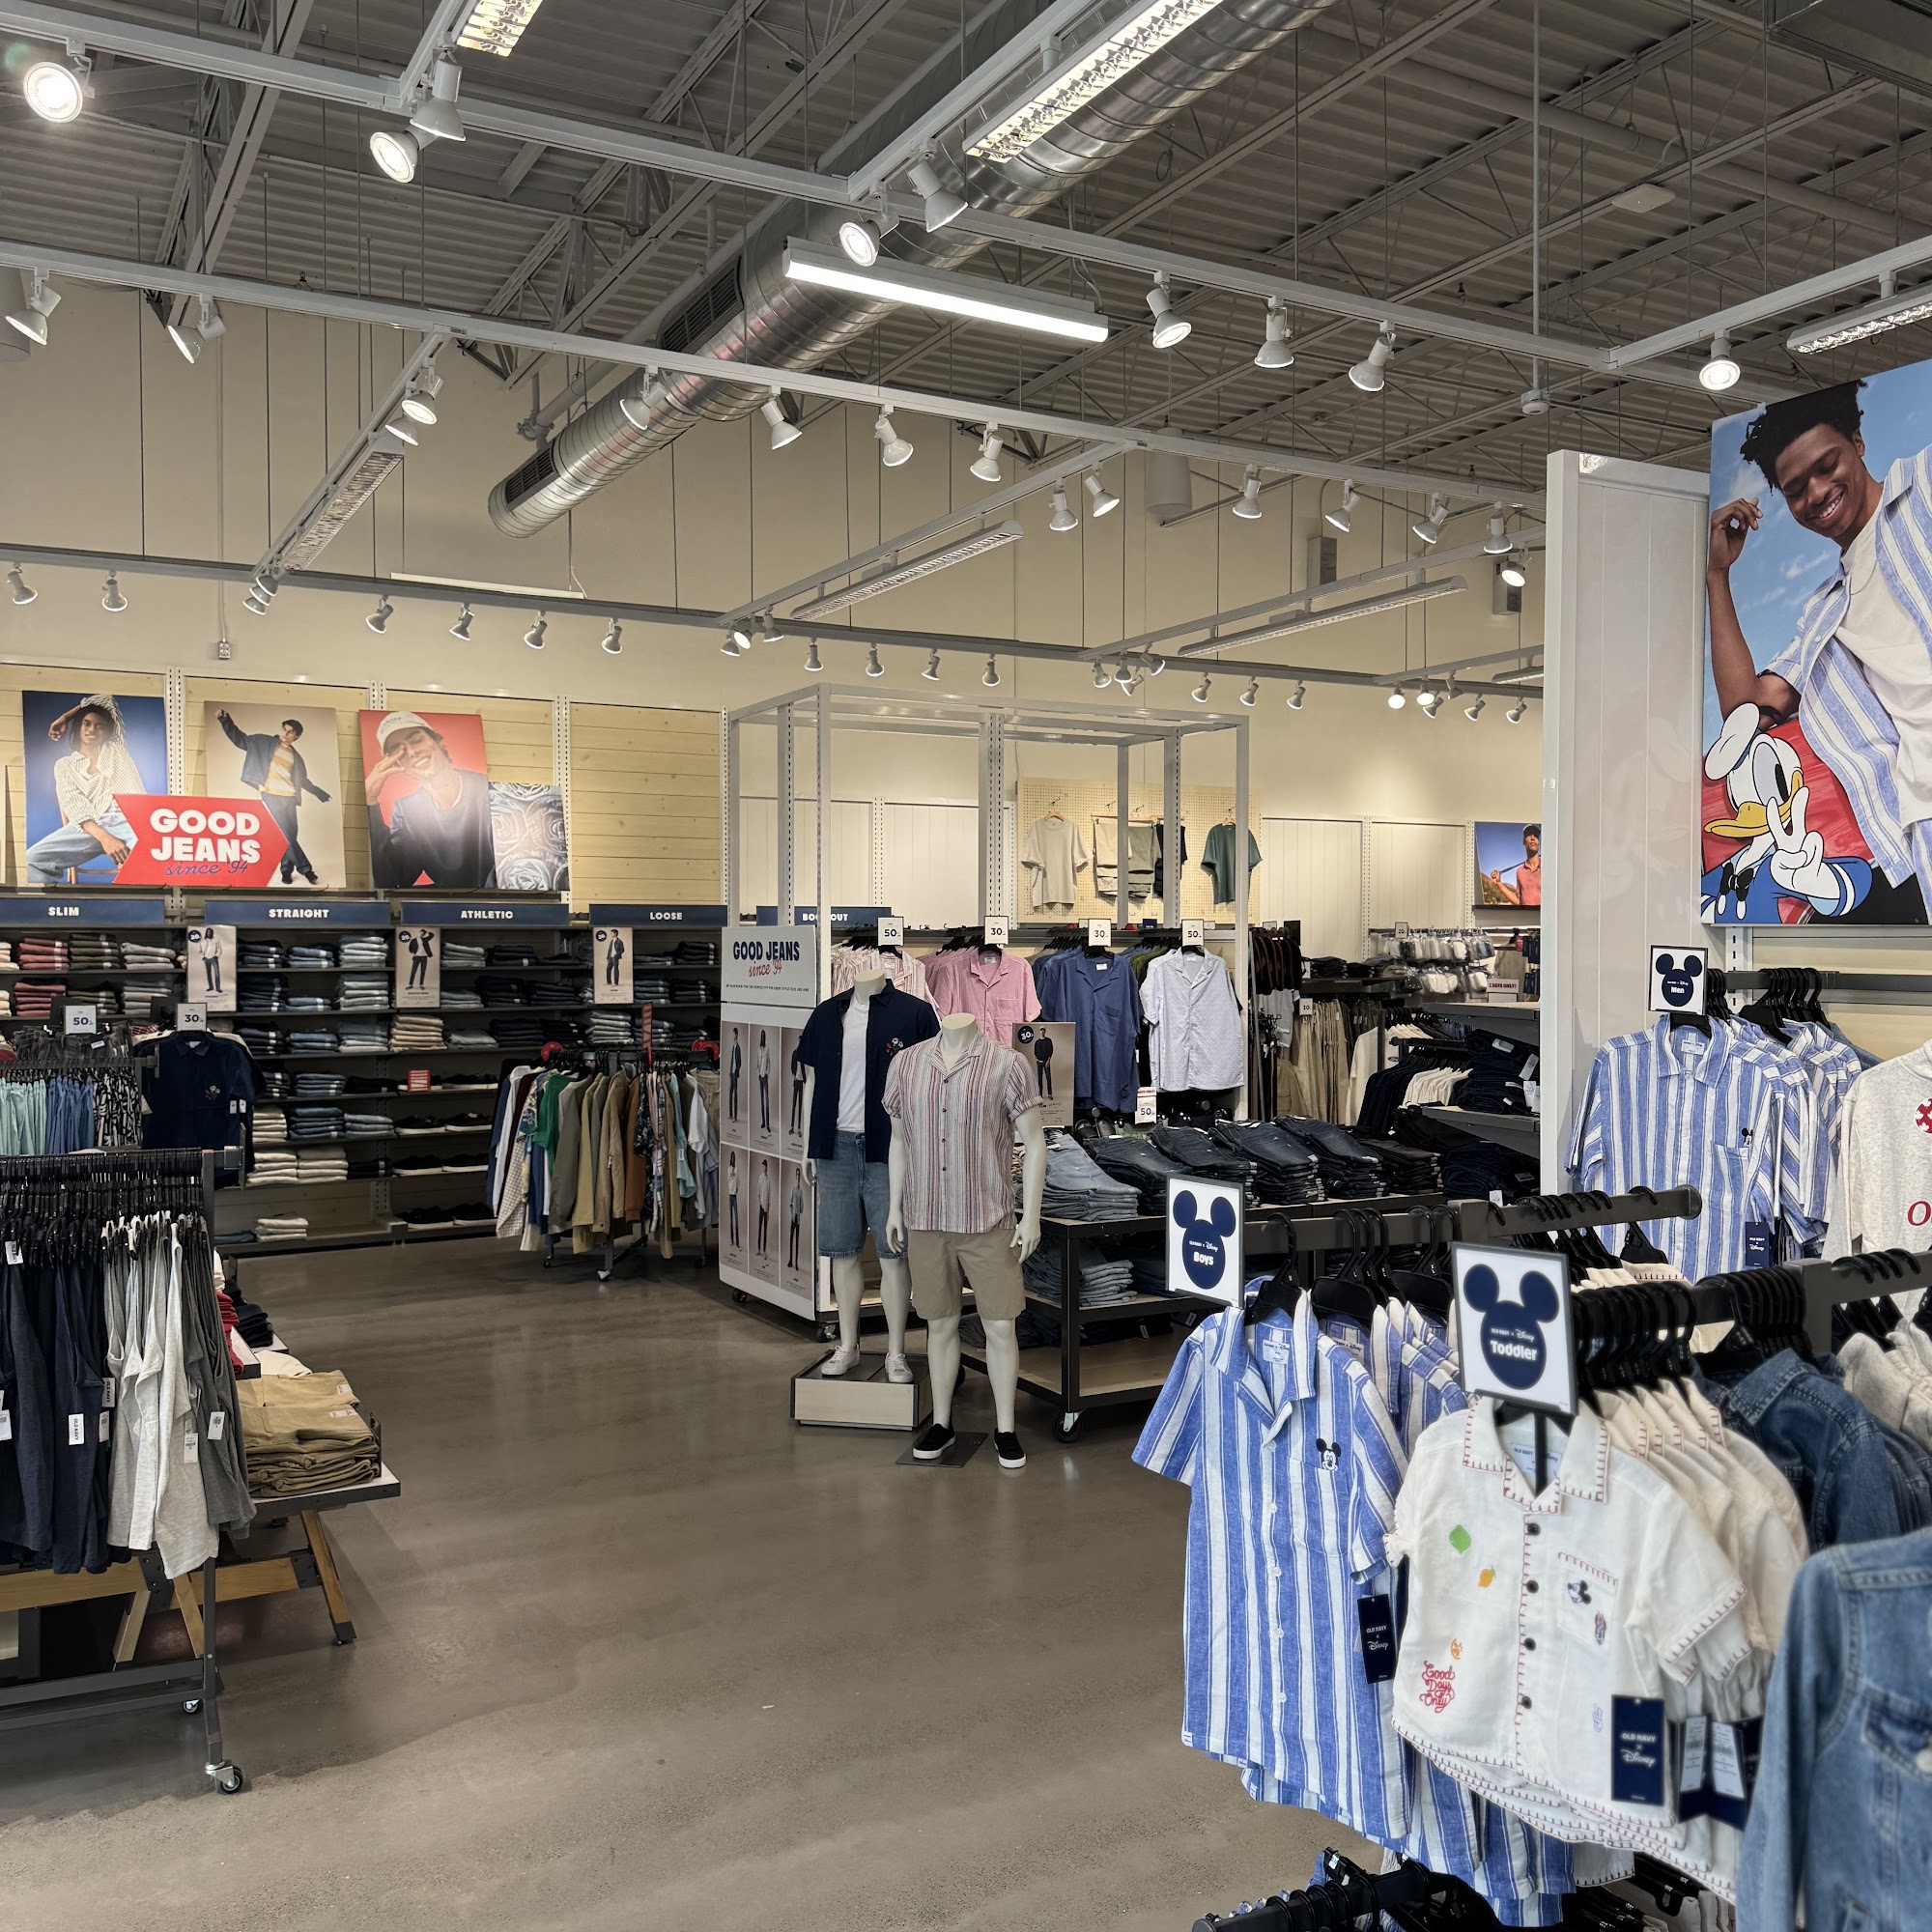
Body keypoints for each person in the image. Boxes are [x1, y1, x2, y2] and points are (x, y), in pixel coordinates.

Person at [1707, 378, 1932, 921]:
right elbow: (1745, 710)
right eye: (1795, 488)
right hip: (1921, 817)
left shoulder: (1924, 486)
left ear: (1857, 441)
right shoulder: (1823, 614)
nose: (1815, 493)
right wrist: (1717, 576)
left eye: (1827, 465)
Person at [365, 711, 496, 891]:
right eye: (399, 751)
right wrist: (370, 799)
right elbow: (392, 879)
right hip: (447, 904)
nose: (412, 752)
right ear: (397, 764)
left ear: (438, 742)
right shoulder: (407, 809)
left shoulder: (487, 791)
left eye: (416, 740)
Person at [26, 696, 147, 885]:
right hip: (91, 824)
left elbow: (105, 699)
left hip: (130, 820)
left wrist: (65, 717)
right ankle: (54, 903)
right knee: (31, 861)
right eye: (86, 723)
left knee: (157, 853)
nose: (92, 729)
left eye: (99, 726)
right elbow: (75, 805)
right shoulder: (65, 765)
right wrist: (105, 838)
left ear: (108, 731)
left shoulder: (116, 750)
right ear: (79, 727)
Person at [217, 709, 330, 886]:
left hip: (290, 798)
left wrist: (319, 793)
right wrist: (225, 720)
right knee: (285, 836)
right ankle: (307, 870)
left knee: (289, 836)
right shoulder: (262, 742)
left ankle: (286, 871)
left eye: (290, 732)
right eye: (284, 729)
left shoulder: (296, 757)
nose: (285, 733)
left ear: (296, 737)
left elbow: (303, 780)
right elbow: (240, 739)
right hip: (271, 795)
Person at [1485, 825, 1542, 907]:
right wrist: (1498, 883)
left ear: (1538, 842)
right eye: (1529, 834)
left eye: (1536, 835)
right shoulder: (1520, 871)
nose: (1533, 838)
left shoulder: (1548, 867)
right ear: (1524, 841)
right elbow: (1519, 901)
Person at [197, 926, 223, 996]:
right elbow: (199, 951)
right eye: (208, 932)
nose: (209, 933)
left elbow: (219, 949)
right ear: (206, 933)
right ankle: (211, 987)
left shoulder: (216, 940)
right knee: (208, 973)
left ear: (212, 933)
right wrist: (203, 957)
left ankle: (218, 988)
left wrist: (216, 956)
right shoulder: (202, 941)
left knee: (217, 973)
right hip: (206, 959)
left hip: (214, 958)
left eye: (210, 932)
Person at [756, 1029, 771, 1134]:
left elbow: (769, 1063)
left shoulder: (767, 1049)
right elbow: (757, 1063)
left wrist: (767, 1073)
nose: (762, 1038)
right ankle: (763, 1122)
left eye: (764, 1036)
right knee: (761, 1100)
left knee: (766, 1101)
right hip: (760, 1077)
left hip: (765, 1076)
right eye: (761, 1036)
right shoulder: (758, 1049)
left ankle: (768, 1124)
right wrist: (758, 1073)